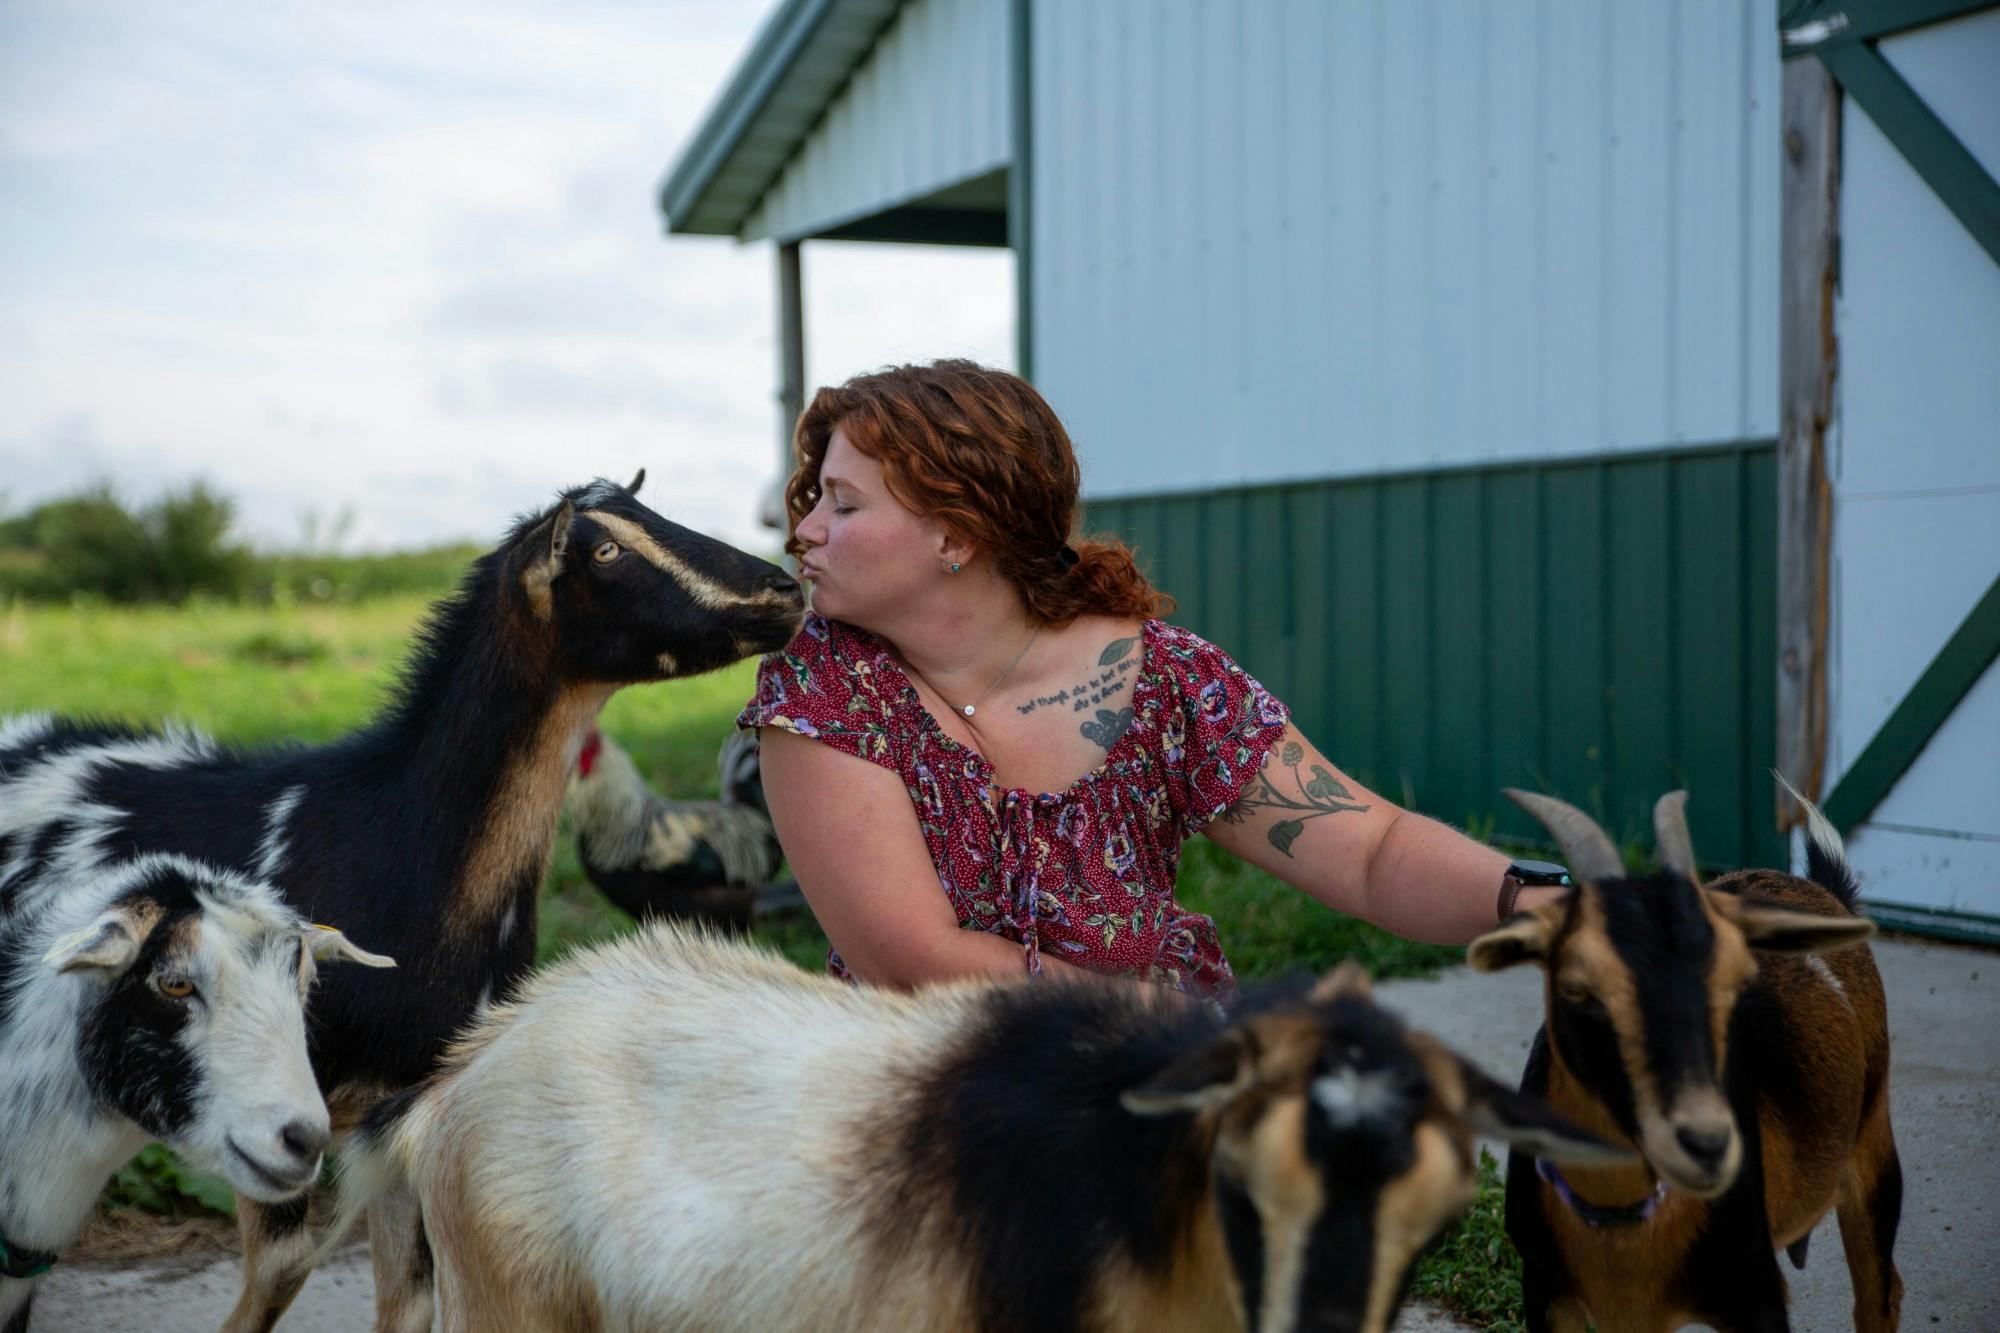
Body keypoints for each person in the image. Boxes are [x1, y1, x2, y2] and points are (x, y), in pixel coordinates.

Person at [739, 360, 1562, 997]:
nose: (803, 532)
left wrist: (1534, 901)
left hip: (1172, 1092)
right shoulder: (823, 693)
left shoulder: (1163, 680)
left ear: (956, 535)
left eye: (842, 506)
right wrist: (1168, 1030)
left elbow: (1371, 853)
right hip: (948, 1105)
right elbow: (916, 965)